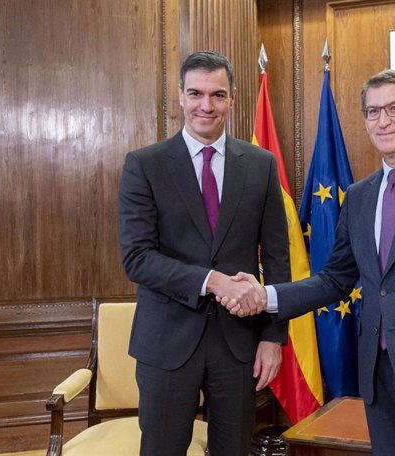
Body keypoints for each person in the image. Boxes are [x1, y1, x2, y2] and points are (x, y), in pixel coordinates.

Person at [221, 69, 395, 455]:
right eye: (372, 112)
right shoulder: (358, 196)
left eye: (394, 108)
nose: (383, 120)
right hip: (377, 378)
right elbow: (334, 279)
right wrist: (266, 295)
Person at [117, 50, 290, 456]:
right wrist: (210, 281)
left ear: (232, 99)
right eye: (195, 93)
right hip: (166, 341)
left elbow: (278, 257)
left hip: (239, 345)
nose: (206, 105)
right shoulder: (145, 165)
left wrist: (272, 338)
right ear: (180, 95)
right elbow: (137, 257)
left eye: (218, 94)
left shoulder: (261, 165)